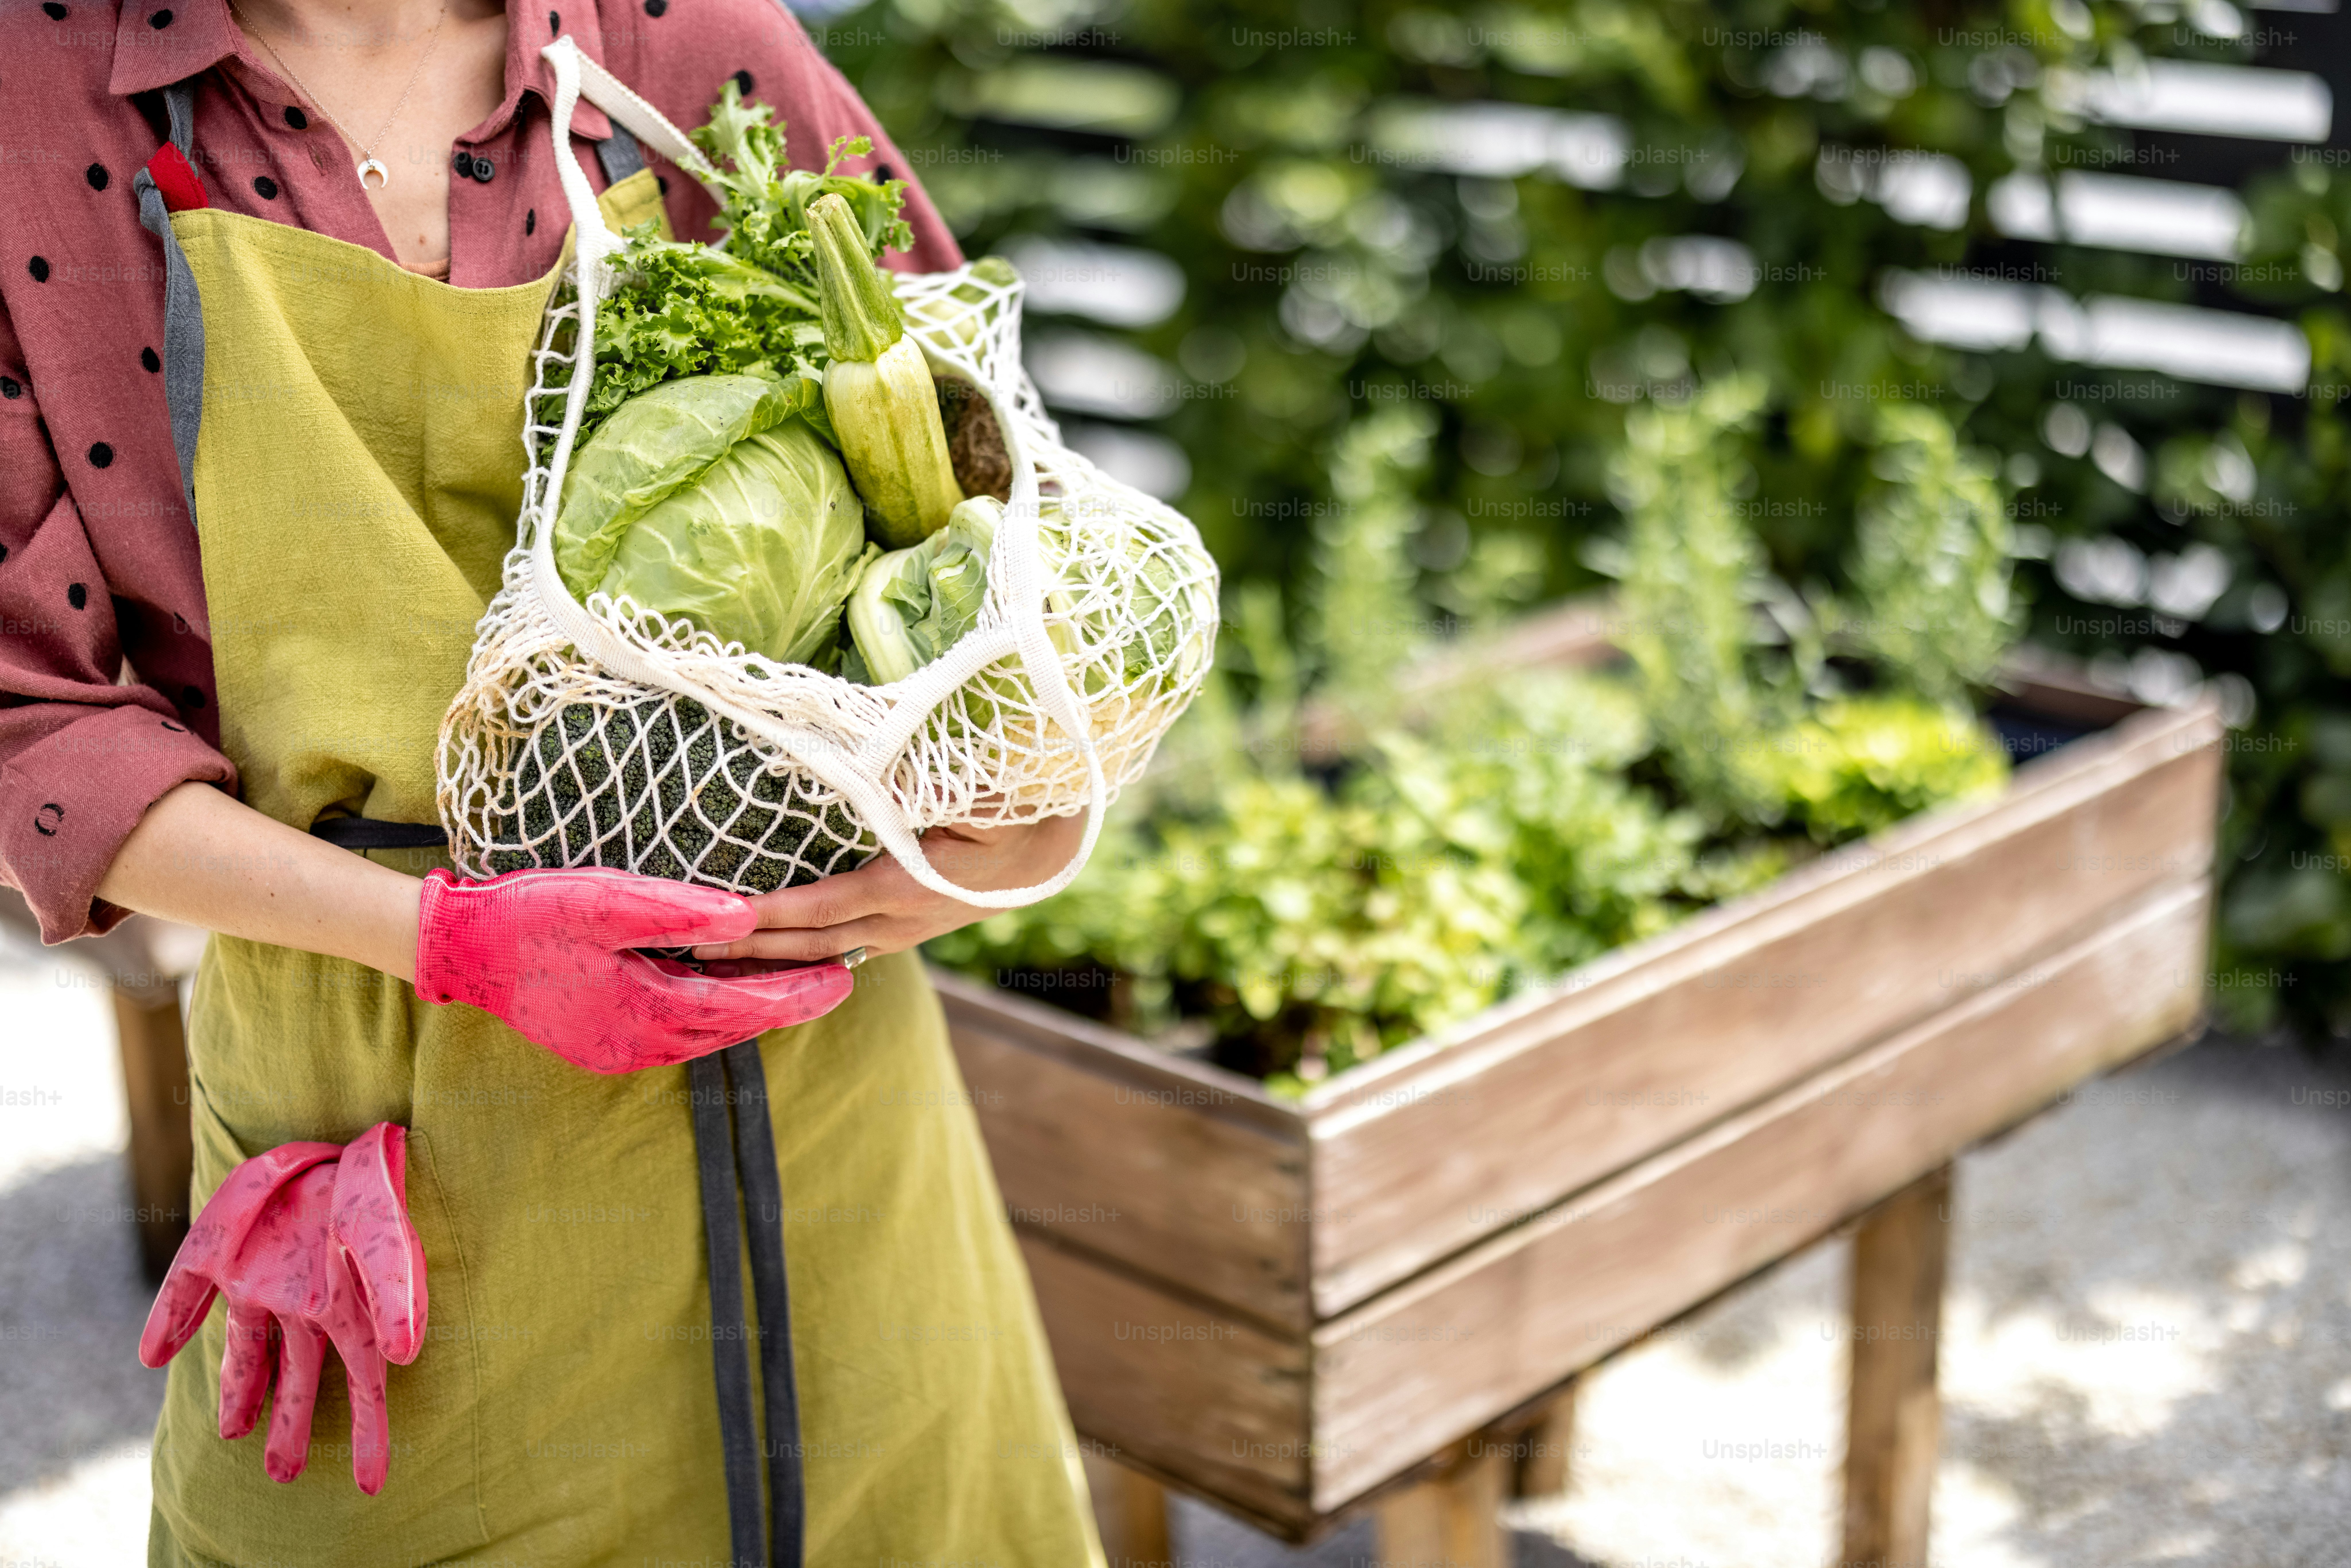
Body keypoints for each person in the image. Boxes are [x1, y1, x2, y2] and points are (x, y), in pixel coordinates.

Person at [0, 0, 1105, 1561]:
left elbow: (1005, 510)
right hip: (375, 1117)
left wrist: (992, 838)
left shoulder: (685, 43)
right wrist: (447, 937)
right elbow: (28, 714)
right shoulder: (31, 112)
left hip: (819, 1106)